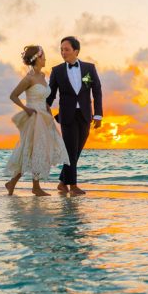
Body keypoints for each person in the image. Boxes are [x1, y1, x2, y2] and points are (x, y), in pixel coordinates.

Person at [5, 45, 69, 196]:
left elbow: (42, 95)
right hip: (33, 117)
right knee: (32, 150)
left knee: (40, 151)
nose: (46, 58)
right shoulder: (29, 78)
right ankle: (33, 186)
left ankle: (16, 183)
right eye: (44, 56)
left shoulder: (42, 76)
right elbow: (13, 95)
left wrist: (46, 105)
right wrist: (25, 108)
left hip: (44, 116)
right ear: (38, 58)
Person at [46, 36, 102, 196]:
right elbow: (51, 94)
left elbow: (97, 90)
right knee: (70, 150)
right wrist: (42, 107)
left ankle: (62, 182)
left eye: (66, 49)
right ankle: (73, 186)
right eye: (61, 49)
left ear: (76, 51)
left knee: (77, 150)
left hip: (85, 114)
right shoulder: (57, 71)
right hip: (67, 115)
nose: (63, 52)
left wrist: (98, 115)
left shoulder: (89, 68)